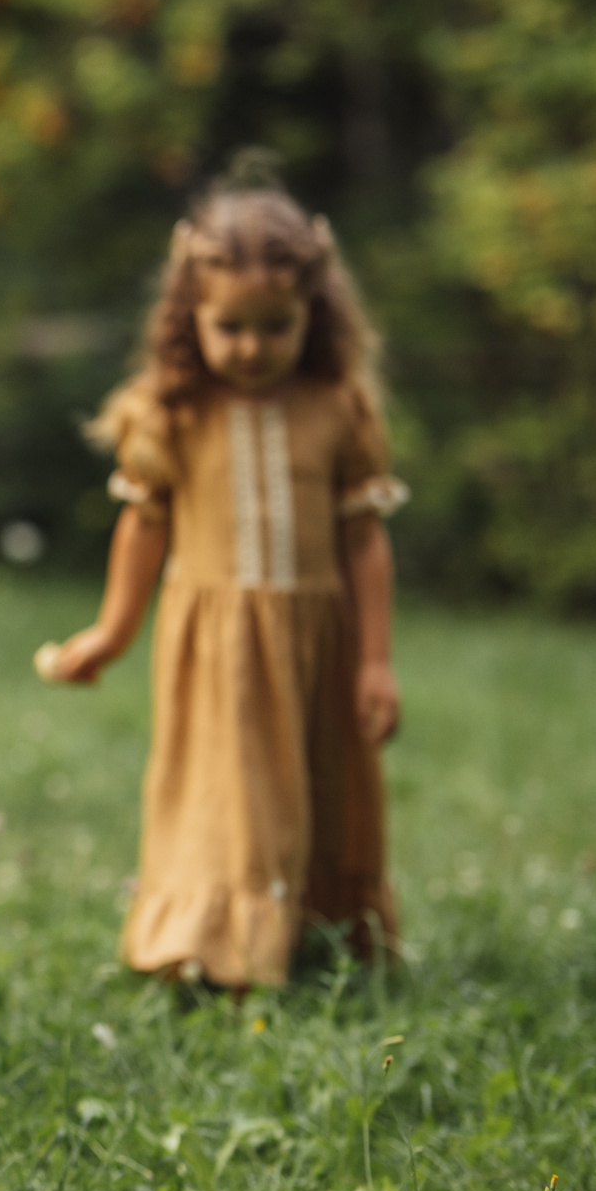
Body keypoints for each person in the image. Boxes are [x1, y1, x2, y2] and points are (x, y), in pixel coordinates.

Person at [38, 170, 408, 991]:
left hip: (319, 644)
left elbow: (364, 540)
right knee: (228, 794)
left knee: (323, 784)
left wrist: (376, 661)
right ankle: (216, 948)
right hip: (218, 651)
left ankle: (318, 930)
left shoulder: (338, 409)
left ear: (314, 313)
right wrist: (111, 632)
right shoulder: (172, 413)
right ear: (189, 316)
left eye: (276, 326)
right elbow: (144, 526)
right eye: (229, 326)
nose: (251, 346)